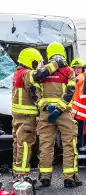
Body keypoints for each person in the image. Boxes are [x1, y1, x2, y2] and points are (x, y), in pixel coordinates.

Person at [12, 47, 65, 176]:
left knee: (18, 144)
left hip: (18, 116)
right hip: (26, 117)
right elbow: (39, 75)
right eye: (36, 63)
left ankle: (17, 172)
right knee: (25, 145)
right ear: (30, 61)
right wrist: (56, 63)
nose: (37, 66)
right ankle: (22, 176)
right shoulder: (25, 73)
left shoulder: (17, 73)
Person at [37, 41, 82, 188]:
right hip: (64, 113)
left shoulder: (42, 71)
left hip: (46, 114)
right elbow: (70, 92)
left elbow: (35, 95)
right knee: (69, 144)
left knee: (46, 145)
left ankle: (44, 177)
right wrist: (59, 109)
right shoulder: (69, 71)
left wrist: (48, 107)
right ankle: (69, 178)